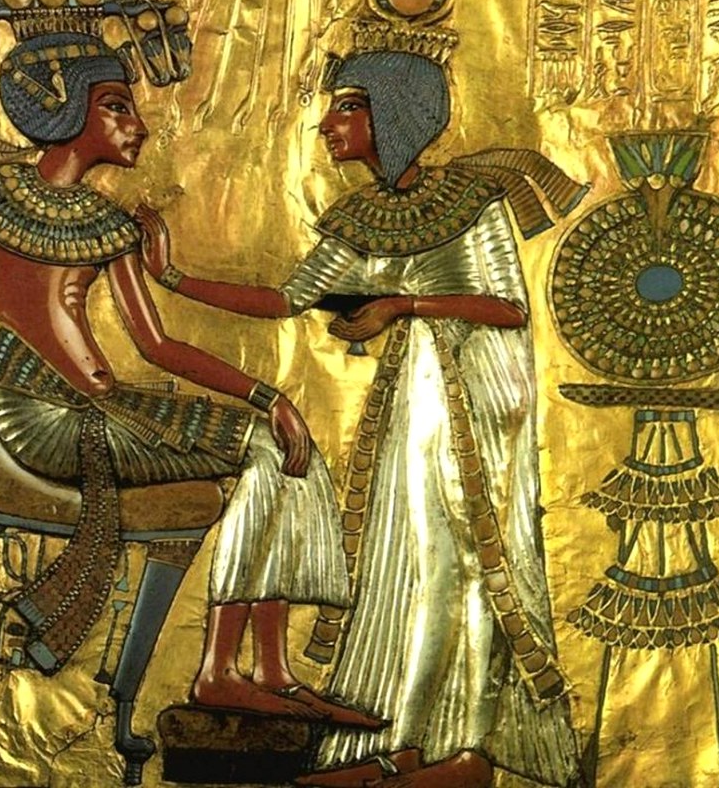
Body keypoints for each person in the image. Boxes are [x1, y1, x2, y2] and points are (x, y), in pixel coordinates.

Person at [0, 31, 384, 729]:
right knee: (271, 450)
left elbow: (157, 346)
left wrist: (267, 395)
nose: (139, 124)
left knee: (281, 447)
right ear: (66, 109)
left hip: (100, 408)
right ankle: (224, 673)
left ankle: (264, 672)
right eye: (118, 106)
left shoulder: (109, 223)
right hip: (37, 422)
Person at [137, 47, 586, 786]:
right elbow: (286, 298)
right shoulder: (361, 215)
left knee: (465, 562)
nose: (327, 125)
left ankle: (465, 750)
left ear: (394, 114)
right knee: (405, 560)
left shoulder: (472, 199)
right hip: (415, 393)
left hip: (477, 393)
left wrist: (402, 305)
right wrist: (175, 277)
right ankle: (408, 742)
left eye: (347, 107)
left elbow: (509, 307)